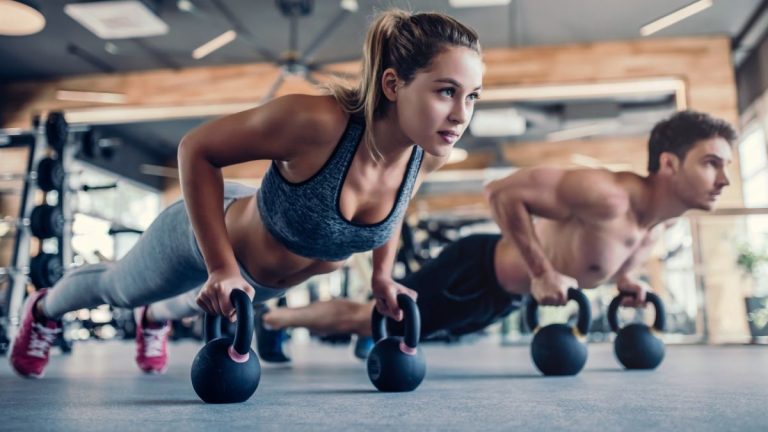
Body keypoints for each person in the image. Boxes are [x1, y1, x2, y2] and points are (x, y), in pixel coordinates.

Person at [10, 9, 484, 378]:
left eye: (473, 96)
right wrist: (220, 266)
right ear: (392, 84)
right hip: (207, 235)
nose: (461, 114)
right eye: (447, 91)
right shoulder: (316, 123)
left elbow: (393, 212)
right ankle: (45, 309)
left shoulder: (427, 154)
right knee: (118, 291)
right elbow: (196, 149)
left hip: (253, 283)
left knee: (192, 301)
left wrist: (382, 276)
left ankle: (156, 319)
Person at [255, 110, 737, 359]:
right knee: (369, 320)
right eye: (711, 163)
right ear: (670, 164)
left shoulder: (661, 221)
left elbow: (615, 250)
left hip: (498, 298)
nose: (724, 179)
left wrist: (628, 279)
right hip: (475, 271)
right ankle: (273, 321)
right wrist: (543, 271)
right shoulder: (606, 193)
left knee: (392, 328)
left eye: (727, 166)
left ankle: (285, 321)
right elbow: (501, 191)